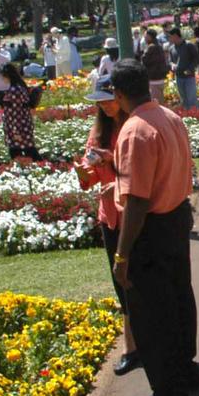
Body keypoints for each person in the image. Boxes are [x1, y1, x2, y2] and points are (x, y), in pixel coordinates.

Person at [109, 59, 199, 396]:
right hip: (176, 217)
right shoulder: (168, 116)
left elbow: (137, 200)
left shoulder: (134, 130)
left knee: (152, 313)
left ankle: (168, 390)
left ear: (118, 94)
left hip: (152, 230)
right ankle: (186, 370)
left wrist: (122, 255)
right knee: (179, 299)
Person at [75, 75, 140, 376]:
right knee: (121, 284)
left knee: (136, 278)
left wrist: (110, 162)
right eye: (100, 102)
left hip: (131, 214)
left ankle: (141, 342)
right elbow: (88, 180)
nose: (105, 105)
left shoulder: (132, 126)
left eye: (108, 98)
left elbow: (133, 170)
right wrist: (83, 172)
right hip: (109, 216)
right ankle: (131, 346)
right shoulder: (98, 131)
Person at [0, 63, 41, 160]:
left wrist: (16, 131)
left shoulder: (14, 90)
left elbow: (16, 112)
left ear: (6, 75)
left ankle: (41, 166)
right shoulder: (19, 87)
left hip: (18, 127)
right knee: (24, 150)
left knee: (27, 151)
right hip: (21, 125)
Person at [168, 28, 199, 112]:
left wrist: (190, 68)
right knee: (184, 99)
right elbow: (170, 61)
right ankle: (187, 117)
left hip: (189, 77)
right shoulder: (171, 48)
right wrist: (172, 65)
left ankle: (196, 116)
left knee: (191, 98)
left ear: (175, 36)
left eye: (170, 37)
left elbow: (196, 58)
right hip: (178, 77)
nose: (169, 39)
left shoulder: (189, 45)